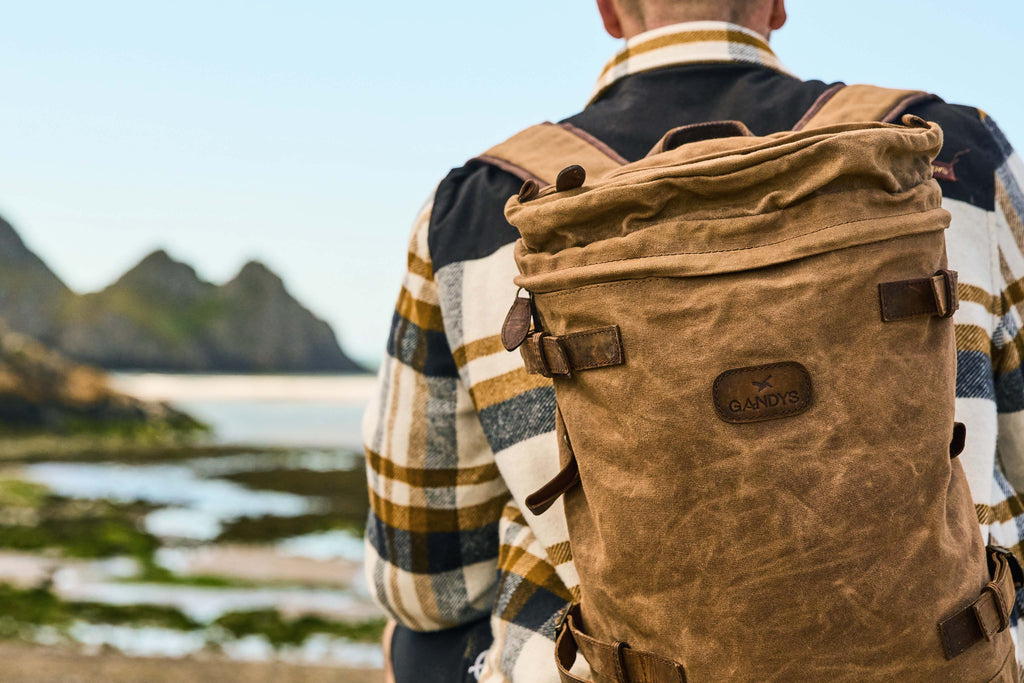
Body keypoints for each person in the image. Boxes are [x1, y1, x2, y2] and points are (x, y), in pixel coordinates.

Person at [362, 1, 1024, 680]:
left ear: (609, 11)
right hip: (946, 663)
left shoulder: (475, 208)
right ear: (775, 5)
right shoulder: (953, 153)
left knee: (415, 644)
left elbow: (427, 586)